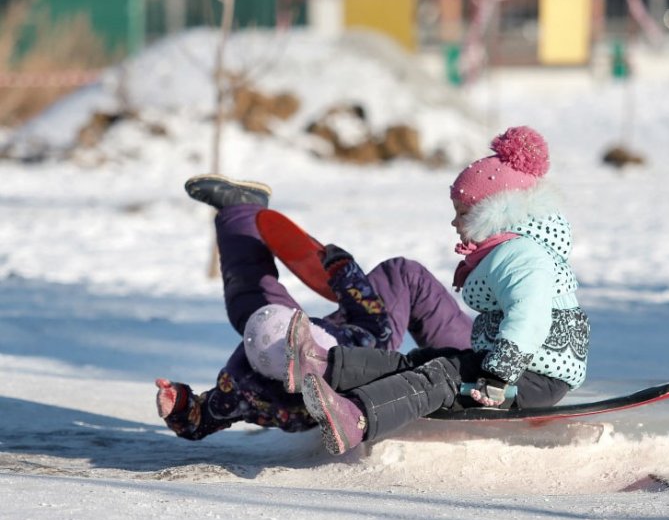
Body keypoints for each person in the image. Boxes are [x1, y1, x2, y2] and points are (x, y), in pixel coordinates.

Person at [287, 126, 591, 455]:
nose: (454, 223)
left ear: (495, 214)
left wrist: (499, 376)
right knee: (423, 360)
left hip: (533, 378)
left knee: (441, 375)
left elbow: (528, 318)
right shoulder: (508, 251)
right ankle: (323, 366)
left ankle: (357, 418)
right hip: (512, 365)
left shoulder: (523, 257)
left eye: (463, 213)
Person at [155, 174, 473, 440]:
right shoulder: (352, 353)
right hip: (358, 363)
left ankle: (240, 210)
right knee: (403, 273)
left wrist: (178, 406)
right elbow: (373, 319)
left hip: (298, 374)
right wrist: (345, 275)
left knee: (255, 307)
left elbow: (202, 418)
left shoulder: (244, 383)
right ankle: (475, 360)